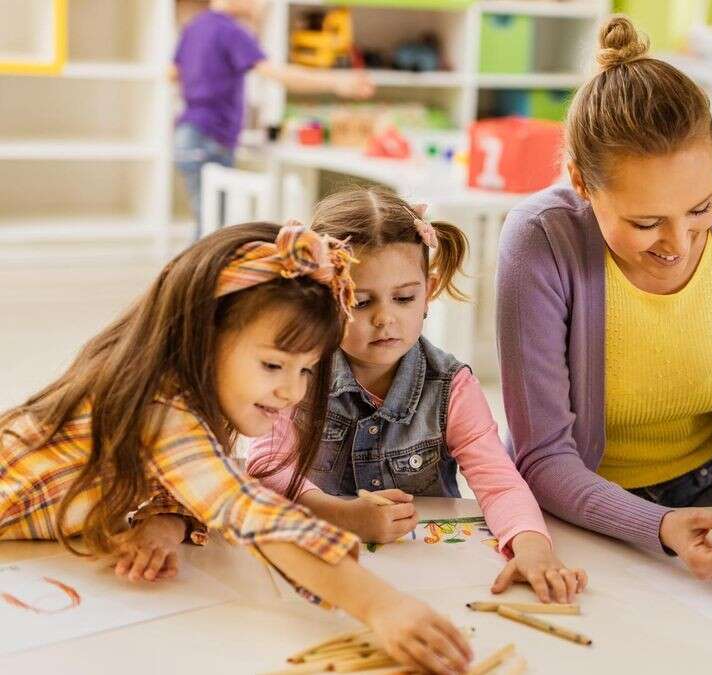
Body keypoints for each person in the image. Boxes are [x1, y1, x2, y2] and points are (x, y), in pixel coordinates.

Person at [0, 223, 472, 674]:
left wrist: (165, 520)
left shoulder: (180, 391)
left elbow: (181, 470)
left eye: (306, 370)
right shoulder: (161, 408)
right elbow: (249, 511)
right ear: (204, 337)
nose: (293, 392)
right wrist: (382, 605)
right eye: (273, 365)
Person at [496, 16, 712, 581]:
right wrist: (659, 526)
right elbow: (541, 456)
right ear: (581, 184)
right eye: (646, 222)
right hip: (583, 494)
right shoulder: (540, 239)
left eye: (699, 208)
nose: (679, 243)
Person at [247, 188, 587, 604]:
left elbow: (499, 484)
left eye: (405, 298)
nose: (386, 318)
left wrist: (533, 548)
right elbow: (264, 466)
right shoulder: (298, 372)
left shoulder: (452, 386)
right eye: (361, 301)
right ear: (323, 298)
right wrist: (337, 513)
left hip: (430, 583)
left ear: (428, 291)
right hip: (323, 576)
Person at [173, 0, 374, 232]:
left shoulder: (195, 26)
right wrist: (337, 83)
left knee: (207, 222)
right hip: (210, 135)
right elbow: (278, 74)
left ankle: (199, 267)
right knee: (213, 229)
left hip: (188, 133)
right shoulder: (231, 31)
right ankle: (199, 269)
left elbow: (172, 73)